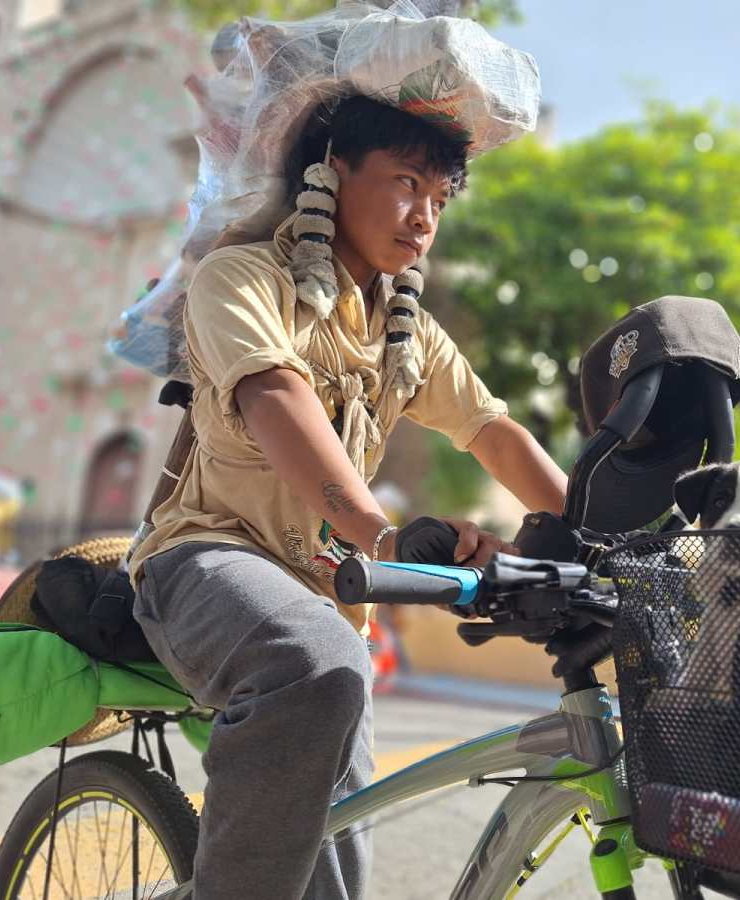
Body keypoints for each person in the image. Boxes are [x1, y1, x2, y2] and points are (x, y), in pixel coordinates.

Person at [128, 90, 567, 898]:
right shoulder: (242, 277)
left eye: (440, 198)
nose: (424, 216)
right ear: (333, 173)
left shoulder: (407, 330)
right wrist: (383, 535)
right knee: (320, 662)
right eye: (405, 182)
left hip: (327, 597)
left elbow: (492, 432)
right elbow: (276, 398)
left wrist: (608, 534)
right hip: (203, 560)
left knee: (338, 866)